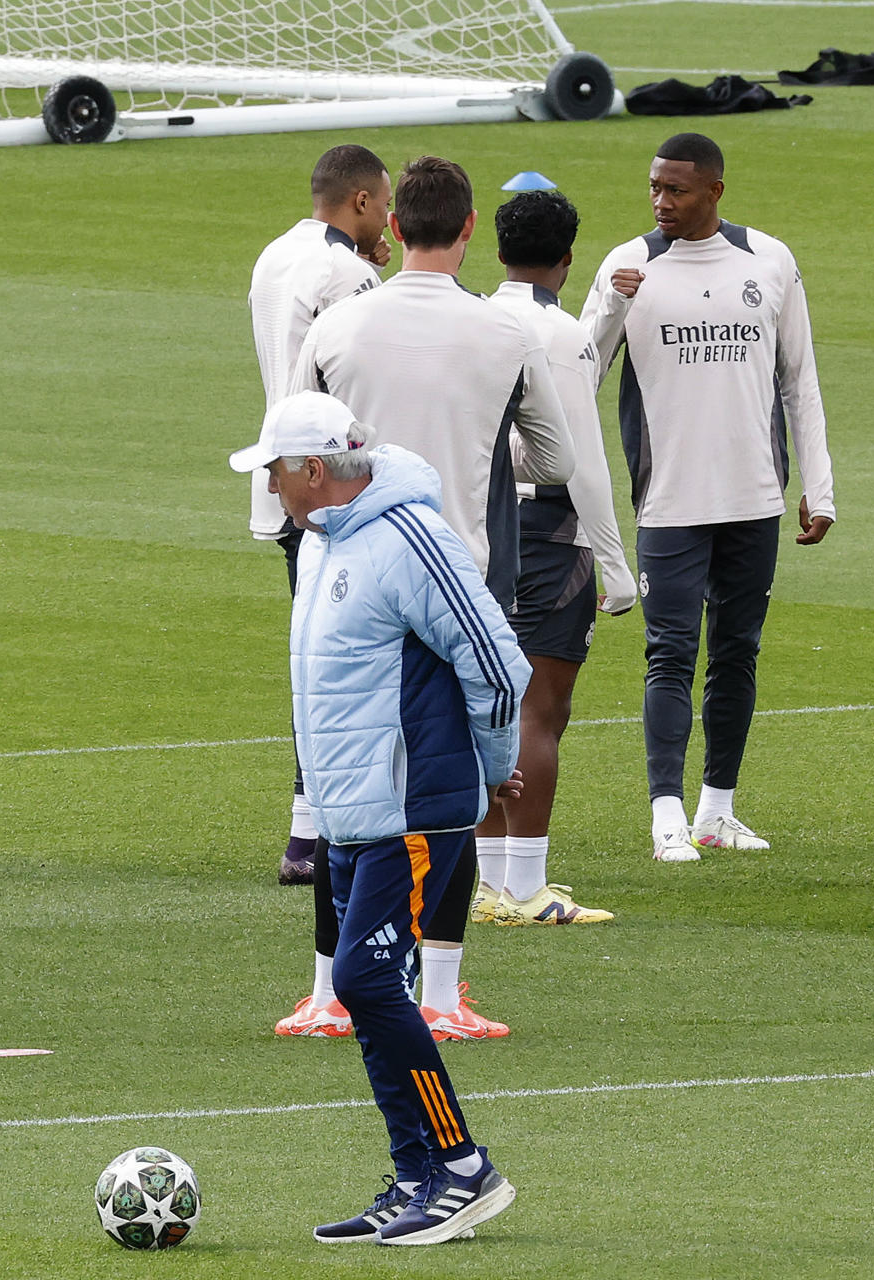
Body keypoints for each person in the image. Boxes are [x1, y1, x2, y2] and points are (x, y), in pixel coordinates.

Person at [285, 156, 576, 1039]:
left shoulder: (339, 324)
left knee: (346, 778)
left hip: (343, 574)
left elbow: (292, 436)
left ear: (395, 225)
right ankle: (441, 995)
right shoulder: (504, 334)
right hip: (458, 577)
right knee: (445, 795)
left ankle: (329, 990)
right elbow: (556, 461)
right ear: (471, 228)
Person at [230, 392, 528, 1246]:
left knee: (361, 982)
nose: (271, 488)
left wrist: (496, 770)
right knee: (370, 991)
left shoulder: (407, 539)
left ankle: (463, 1169)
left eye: (275, 472)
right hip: (354, 814)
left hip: (413, 811)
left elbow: (499, 667)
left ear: (313, 471)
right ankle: (417, 1175)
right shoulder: (327, 543)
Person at [580, 133, 836, 863]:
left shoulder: (769, 262)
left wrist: (818, 488)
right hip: (670, 501)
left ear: (715, 191)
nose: (661, 201)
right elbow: (575, 372)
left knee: (738, 653)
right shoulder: (630, 265)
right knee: (669, 655)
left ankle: (716, 809)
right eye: (654, 187)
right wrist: (605, 310)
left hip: (755, 497)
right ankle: (666, 815)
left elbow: (800, 381)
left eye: (677, 190)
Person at [475, 190, 635, 925]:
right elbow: (584, 460)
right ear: (568, 259)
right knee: (541, 709)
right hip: (546, 533)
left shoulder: (472, 318)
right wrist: (617, 562)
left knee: (479, 706)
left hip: (471, 528)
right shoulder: (560, 332)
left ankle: (480, 886)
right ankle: (526, 889)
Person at [248, 144, 393, 894]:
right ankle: (321, 834)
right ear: (362, 202)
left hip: (281, 480)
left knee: (317, 659)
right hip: (334, 490)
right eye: (385, 204)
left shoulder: (276, 255)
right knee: (355, 667)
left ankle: (309, 832)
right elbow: (354, 383)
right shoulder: (348, 274)